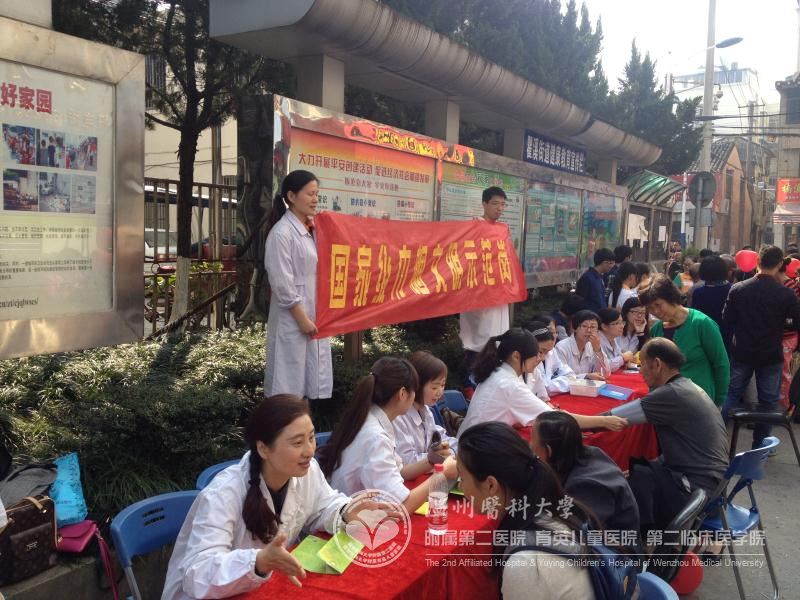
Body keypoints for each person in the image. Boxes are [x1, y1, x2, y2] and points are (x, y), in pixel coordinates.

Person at [162, 395, 386, 599]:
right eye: (297, 442)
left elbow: (323, 505)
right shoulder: (223, 495)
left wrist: (346, 511)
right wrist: (258, 562)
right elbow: (197, 574)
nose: (309, 450)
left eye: (311, 437)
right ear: (264, 449)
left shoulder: (307, 471)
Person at [457, 422, 597, 600]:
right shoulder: (550, 510)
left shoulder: (526, 564)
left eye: (462, 478)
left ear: (491, 485)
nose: (460, 486)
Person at [614, 339, 728, 533]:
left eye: (643, 364)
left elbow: (612, 418)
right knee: (638, 470)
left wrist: (570, 418)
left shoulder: (671, 394)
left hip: (699, 490)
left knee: (636, 480)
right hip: (716, 484)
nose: (640, 371)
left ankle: (639, 543)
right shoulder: (688, 386)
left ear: (657, 364)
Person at [321, 357, 456, 513]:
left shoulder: (370, 419)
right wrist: (441, 474)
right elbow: (401, 506)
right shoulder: (376, 436)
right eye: (414, 390)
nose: (415, 395)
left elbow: (400, 471)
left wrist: (431, 460)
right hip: (353, 520)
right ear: (402, 394)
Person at [457, 328, 626, 437]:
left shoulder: (499, 373)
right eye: (536, 354)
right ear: (516, 356)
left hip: (475, 442)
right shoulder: (509, 384)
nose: (540, 359)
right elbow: (556, 418)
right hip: (477, 452)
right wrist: (603, 421)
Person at [721, 245, 800, 450]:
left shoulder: (739, 288)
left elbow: (727, 318)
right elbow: (795, 323)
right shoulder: (785, 293)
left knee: (731, 393)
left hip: (743, 349)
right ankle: (760, 446)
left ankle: (716, 438)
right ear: (780, 264)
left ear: (757, 262)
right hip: (770, 352)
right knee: (768, 401)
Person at [263, 170, 332, 400]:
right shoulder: (281, 234)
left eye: (317, 194)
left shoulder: (311, 230)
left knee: (307, 382)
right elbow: (282, 283)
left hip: (313, 315)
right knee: (288, 385)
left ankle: (304, 423)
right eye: (310, 194)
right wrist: (302, 319)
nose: (315, 199)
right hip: (292, 319)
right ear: (291, 196)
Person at [530, 412, 640, 535]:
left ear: (548, 450)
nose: (530, 445)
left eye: (532, 440)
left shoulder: (585, 486)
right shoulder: (587, 452)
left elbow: (579, 534)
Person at [640, 274, 730, 406]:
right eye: (650, 308)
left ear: (670, 297)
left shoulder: (701, 323)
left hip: (699, 402)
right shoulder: (656, 330)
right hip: (665, 403)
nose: (656, 312)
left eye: (658, 305)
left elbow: (721, 364)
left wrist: (718, 402)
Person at [459, 186, 511, 385]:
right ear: (484, 204)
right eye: (495, 204)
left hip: (499, 292)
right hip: (479, 292)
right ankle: (469, 385)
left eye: (503, 205)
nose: (500, 208)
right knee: (478, 340)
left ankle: (488, 384)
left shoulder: (502, 229)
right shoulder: (474, 227)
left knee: (496, 339)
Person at [392, 351, 457, 479]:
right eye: (434, 387)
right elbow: (407, 462)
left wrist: (464, 447)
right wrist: (439, 456)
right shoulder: (399, 417)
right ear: (417, 386)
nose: (440, 392)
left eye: (442, 385)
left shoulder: (426, 410)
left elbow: (440, 438)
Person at [689, 255, 732, 350]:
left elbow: (695, 316)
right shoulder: (733, 289)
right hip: (728, 334)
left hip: (705, 335)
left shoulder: (698, 292)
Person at [553, 311, 609, 379]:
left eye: (593, 327)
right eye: (584, 326)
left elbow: (605, 374)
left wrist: (598, 350)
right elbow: (560, 376)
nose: (589, 330)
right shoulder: (562, 347)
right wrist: (586, 376)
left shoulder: (593, 345)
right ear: (575, 328)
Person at [527, 321, 576, 396]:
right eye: (541, 351)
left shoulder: (551, 350)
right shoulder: (529, 361)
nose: (543, 358)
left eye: (555, 332)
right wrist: (558, 384)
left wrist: (549, 386)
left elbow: (570, 376)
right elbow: (542, 388)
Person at [575, 248, 615, 312]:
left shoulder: (600, 277)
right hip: (589, 316)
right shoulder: (587, 278)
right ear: (604, 262)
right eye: (611, 263)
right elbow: (579, 302)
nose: (612, 266)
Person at [597, 308, 634, 372]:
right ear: (604, 326)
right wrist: (623, 358)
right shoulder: (596, 341)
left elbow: (619, 355)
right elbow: (604, 367)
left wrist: (625, 360)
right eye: (617, 323)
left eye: (622, 322)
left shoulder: (613, 339)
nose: (622, 326)